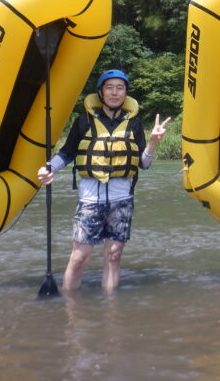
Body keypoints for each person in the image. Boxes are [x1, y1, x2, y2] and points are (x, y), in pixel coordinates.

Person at [37, 69, 170, 292]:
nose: (114, 93)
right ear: (101, 92)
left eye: (120, 88)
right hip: (90, 200)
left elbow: (143, 164)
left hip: (122, 200)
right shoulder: (83, 121)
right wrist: (49, 168)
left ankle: (110, 312)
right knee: (80, 256)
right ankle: (71, 309)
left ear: (126, 93)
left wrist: (154, 142)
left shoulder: (134, 124)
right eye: (109, 88)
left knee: (113, 256)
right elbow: (67, 153)